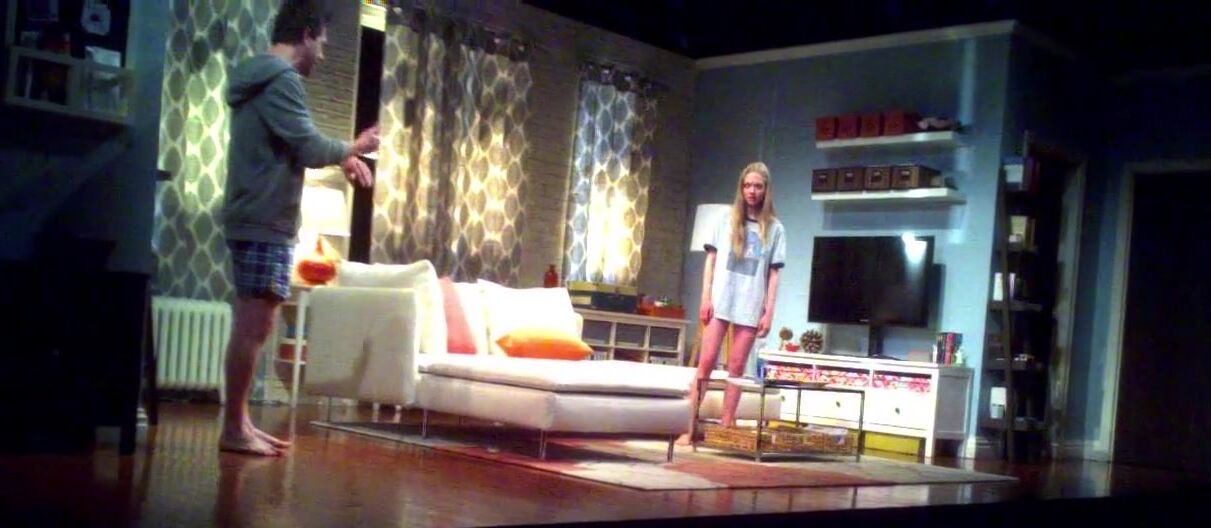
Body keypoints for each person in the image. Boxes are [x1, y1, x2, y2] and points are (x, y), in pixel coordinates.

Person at [220, 0, 378, 456]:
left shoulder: (262, 78)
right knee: (255, 324)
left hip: (256, 215)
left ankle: (239, 423)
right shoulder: (281, 79)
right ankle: (234, 429)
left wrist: (343, 155)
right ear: (306, 34)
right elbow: (308, 146)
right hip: (264, 218)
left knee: (255, 322)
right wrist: (355, 146)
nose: (323, 54)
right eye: (322, 42)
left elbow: (296, 142)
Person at [678, 162, 785, 445]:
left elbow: (774, 274)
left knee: (736, 369)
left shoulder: (775, 229)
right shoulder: (725, 219)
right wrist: (705, 297)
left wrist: (769, 312)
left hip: (750, 305)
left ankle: (726, 427)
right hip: (720, 301)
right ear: (741, 187)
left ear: (766, 190)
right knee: (705, 364)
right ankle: (688, 428)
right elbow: (711, 260)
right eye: (747, 185)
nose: (752, 191)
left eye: (758, 186)